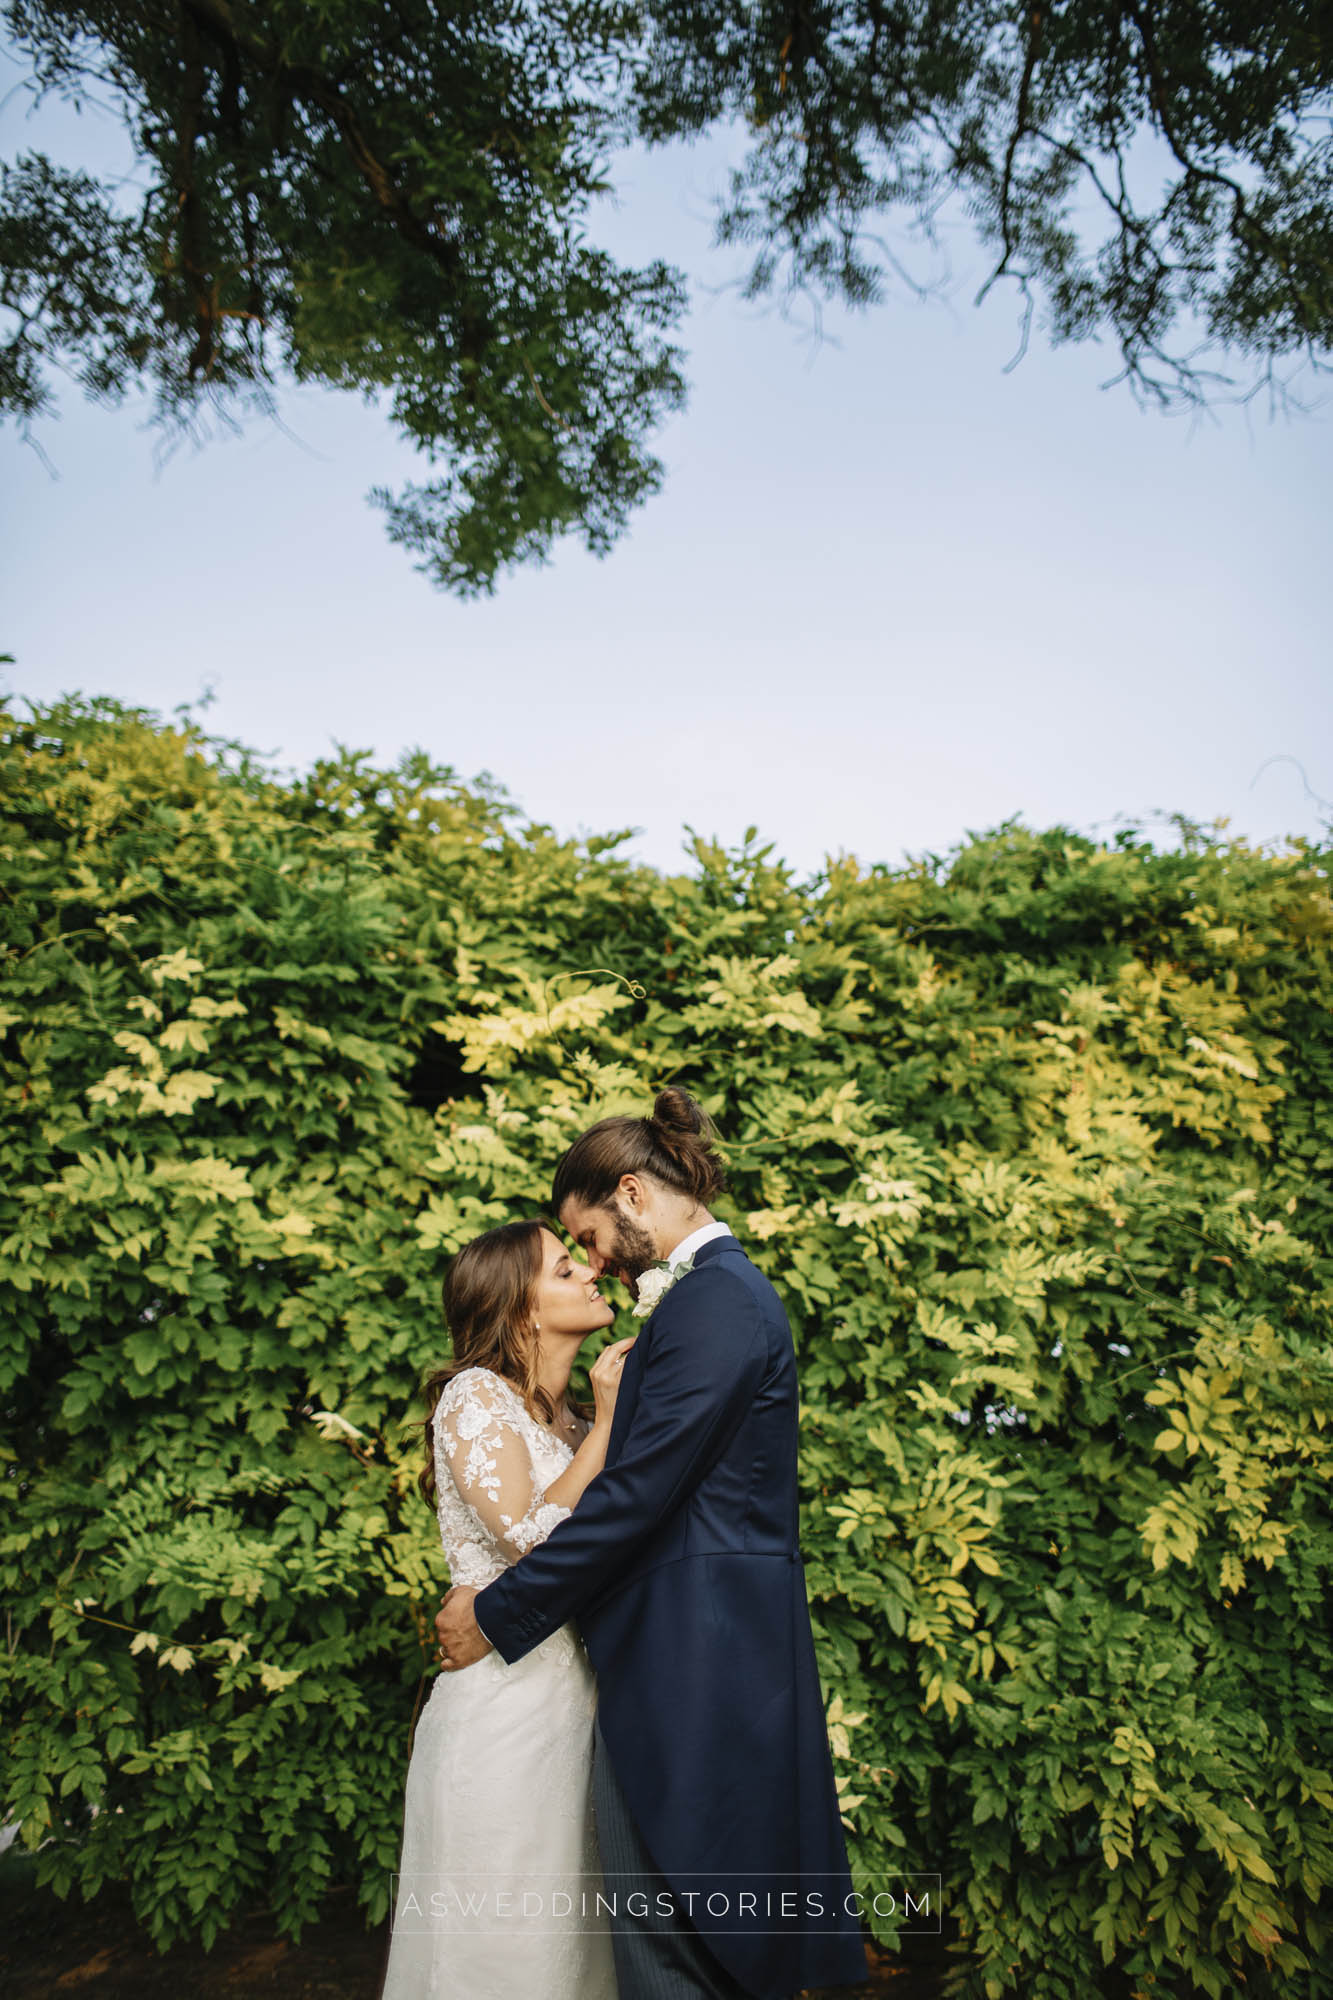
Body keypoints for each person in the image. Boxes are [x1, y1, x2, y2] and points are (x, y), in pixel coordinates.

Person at [435, 1088, 870, 2000]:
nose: (592, 1262)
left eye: (584, 1237)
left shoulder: (714, 1304)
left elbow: (635, 1501)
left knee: (676, 1949)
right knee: (674, 1941)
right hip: (674, 1668)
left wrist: (499, 1613)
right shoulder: (708, 1304)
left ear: (631, 1194)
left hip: (694, 1669)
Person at [376, 1218, 637, 2000]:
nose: (590, 1273)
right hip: (500, 1712)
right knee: (497, 1942)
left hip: (575, 1711)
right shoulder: (474, 1397)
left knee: (567, 1945)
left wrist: (594, 1427)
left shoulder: (572, 1422)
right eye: (565, 1270)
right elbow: (530, 1541)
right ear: (521, 1310)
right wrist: (606, 1430)